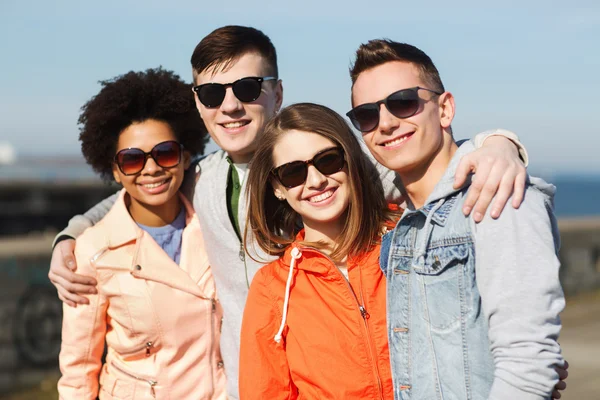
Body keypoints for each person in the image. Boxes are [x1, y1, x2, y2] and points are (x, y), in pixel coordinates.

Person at [49, 26, 531, 398]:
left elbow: (418, 168)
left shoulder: (331, 165)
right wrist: (69, 236)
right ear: (198, 105)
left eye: (248, 87)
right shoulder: (201, 177)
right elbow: (137, 189)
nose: (231, 106)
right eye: (213, 95)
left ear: (277, 93)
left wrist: (496, 145)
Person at [348, 39, 565, 399]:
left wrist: (500, 147)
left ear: (445, 109)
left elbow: (529, 364)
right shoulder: (402, 216)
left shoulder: (497, 195)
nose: (385, 123)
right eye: (367, 115)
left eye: (403, 102)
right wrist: (499, 140)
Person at [57, 68, 226, 399]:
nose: (151, 168)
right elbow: (78, 370)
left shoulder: (216, 225)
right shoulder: (92, 251)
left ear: (186, 157)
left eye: (164, 153)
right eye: (133, 159)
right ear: (116, 172)